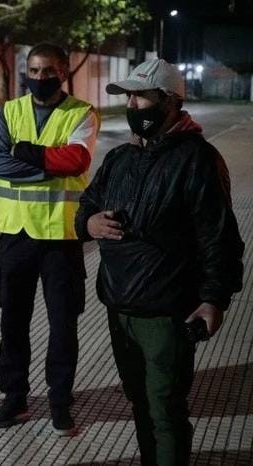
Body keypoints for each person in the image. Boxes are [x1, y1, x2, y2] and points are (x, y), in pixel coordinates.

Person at [75, 58, 244, 465]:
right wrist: (89, 224)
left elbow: (218, 237)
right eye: (128, 97)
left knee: (165, 409)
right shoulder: (121, 159)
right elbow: (88, 206)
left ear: (169, 102)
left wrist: (213, 299)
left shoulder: (198, 159)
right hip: (119, 309)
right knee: (139, 404)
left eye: (141, 96)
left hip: (167, 314)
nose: (132, 105)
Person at [0, 43, 99, 435]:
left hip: (60, 236)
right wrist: (48, 165)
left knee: (62, 325)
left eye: (47, 70)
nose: (38, 77)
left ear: (64, 71)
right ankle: (14, 399)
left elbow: (77, 161)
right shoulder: (9, 111)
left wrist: (25, 155)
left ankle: (60, 402)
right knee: (12, 322)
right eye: (33, 70)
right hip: (15, 234)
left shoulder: (81, 113)